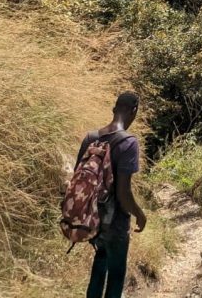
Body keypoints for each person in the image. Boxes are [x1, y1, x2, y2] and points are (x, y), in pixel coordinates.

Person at [74, 91, 147, 298]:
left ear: (114, 109)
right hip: (115, 224)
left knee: (98, 268)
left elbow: (78, 179)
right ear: (134, 111)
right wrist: (140, 214)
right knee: (115, 277)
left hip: (92, 220)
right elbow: (123, 193)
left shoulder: (91, 138)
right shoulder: (129, 143)